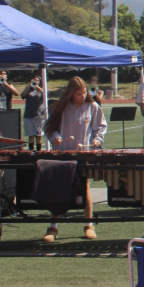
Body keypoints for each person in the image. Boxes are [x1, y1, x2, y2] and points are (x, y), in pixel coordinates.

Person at [43, 76, 107, 242]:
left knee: (85, 186)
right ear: (71, 93)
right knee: (59, 189)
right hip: (63, 153)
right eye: (79, 93)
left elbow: (101, 127)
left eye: (84, 92)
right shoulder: (61, 108)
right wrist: (55, 137)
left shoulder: (92, 106)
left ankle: (89, 224)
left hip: (83, 154)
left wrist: (97, 140)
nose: (83, 96)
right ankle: (53, 227)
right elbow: (49, 128)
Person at [21, 76, 46, 150]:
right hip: (28, 115)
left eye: (37, 80)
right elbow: (23, 95)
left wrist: (37, 87)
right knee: (30, 135)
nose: (35, 81)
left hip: (39, 116)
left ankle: (39, 151)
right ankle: (31, 151)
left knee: (38, 135)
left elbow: (45, 96)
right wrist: (29, 86)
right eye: (34, 80)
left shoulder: (42, 89)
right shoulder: (28, 89)